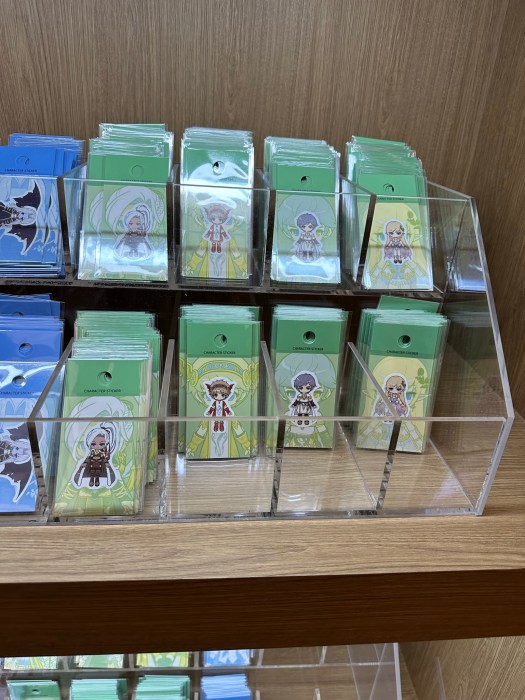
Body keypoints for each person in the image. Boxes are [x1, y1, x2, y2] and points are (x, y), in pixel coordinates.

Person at [73, 423, 117, 488]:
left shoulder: (102, 453)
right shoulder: (91, 453)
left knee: (98, 474)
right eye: (93, 444)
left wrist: (106, 463)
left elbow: (104, 459)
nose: (97, 446)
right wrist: (85, 463)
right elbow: (88, 458)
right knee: (91, 473)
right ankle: (91, 481)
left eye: (101, 444)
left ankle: (97, 481)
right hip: (92, 465)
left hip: (100, 465)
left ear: (106, 444)